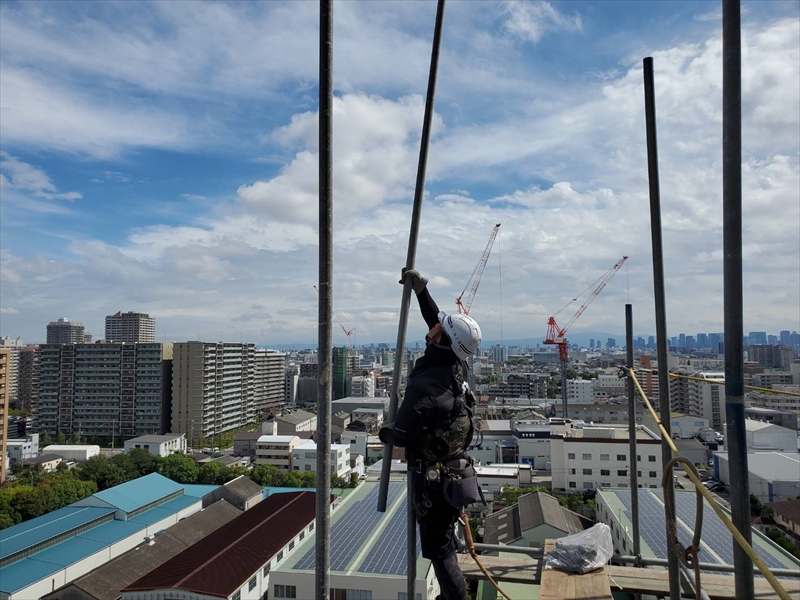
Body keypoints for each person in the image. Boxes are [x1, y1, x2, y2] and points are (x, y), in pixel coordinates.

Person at [379, 268, 483, 600]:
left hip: (435, 484)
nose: (433, 327)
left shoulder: (424, 387)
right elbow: (437, 321)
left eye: (438, 329)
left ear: (441, 340)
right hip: (456, 474)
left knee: (440, 552)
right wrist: (422, 292)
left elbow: (405, 435)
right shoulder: (455, 366)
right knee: (444, 539)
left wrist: (385, 432)